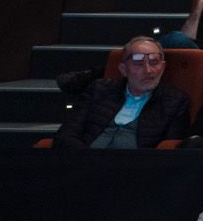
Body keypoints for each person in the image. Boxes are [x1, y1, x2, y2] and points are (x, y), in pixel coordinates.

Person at [54, 35, 191, 149]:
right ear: (123, 69)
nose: (148, 70)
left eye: (154, 62)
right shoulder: (98, 89)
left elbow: (169, 152)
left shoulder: (175, 101)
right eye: (138, 64)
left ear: (163, 67)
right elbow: (67, 133)